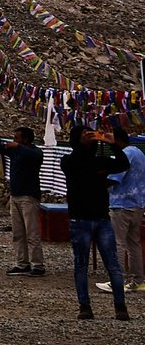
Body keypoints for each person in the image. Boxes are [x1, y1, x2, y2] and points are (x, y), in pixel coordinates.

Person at [60, 121, 130, 320]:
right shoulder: (69, 161)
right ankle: (85, 306)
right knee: (84, 265)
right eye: (84, 133)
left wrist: (111, 143)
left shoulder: (100, 161)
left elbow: (124, 164)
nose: (89, 136)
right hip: (82, 219)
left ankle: (120, 307)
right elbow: (79, 164)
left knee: (111, 265)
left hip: (98, 218)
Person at [0, 126, 45, 276]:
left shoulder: (34, 152)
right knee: (18, 233)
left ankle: (38, 265)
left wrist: (19, 147)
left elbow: (37, 157)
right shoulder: (14, 151)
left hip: (29, 197)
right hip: (15, 195)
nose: (14, 140)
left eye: (17, 138)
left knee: (32, 233)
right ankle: (22, 263)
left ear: (25, 139)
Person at [108, 122, 145, 293]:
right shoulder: (139, 153)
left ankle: (116, 279)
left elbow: (115, 177)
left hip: (121, 203)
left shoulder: (124, 155)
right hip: (137, 203)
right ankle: (138, 279)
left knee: (118, 242)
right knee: (134, 244)